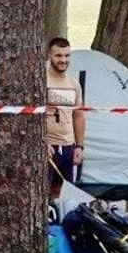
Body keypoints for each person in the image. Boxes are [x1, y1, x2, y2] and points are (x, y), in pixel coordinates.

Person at [44, 37, 86, 197]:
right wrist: (42, 142)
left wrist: (79, 146)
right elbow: (31, 116)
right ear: (49, 55)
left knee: (65, 196)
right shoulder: (41, 81)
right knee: (44, 195)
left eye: (67, 56)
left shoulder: (74, 84)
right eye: (58, 55)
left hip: (68, 147)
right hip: (48, 147)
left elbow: (79, 115)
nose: (63, 60)